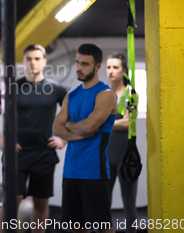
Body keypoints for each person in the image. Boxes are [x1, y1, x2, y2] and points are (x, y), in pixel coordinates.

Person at [0, 44, 67, 233]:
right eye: (29, 59)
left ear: (44, 61)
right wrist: (3, 143)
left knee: (41, 203)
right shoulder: (12, 87)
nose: (32, 63)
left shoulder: (56, 89)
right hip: (17, 155)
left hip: (44, 154)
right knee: (12, 202)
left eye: (36, 59)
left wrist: (63, 140)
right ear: (24, 62)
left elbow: (74, 114)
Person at [53, 43, 117, 233]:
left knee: (102, 226)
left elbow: (90, 126)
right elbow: (56, 128)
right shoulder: (71, 95)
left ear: (97, 67)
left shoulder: (105, 94)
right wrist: (77, 129)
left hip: (94, 172)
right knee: (77, 227)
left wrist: (70, 125)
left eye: (85, 64)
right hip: (71, 172)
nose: (79, 68)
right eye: (77, 63)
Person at [106, 53, 137, 233]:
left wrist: (104, 124)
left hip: (126, 156)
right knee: (103, 203)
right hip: (106, 155)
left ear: (123, 71)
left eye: (115, 67)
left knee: (129, 204)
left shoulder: (131, 94)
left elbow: (129, 122)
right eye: (108, 67)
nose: (111, 71)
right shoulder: (102, 94)